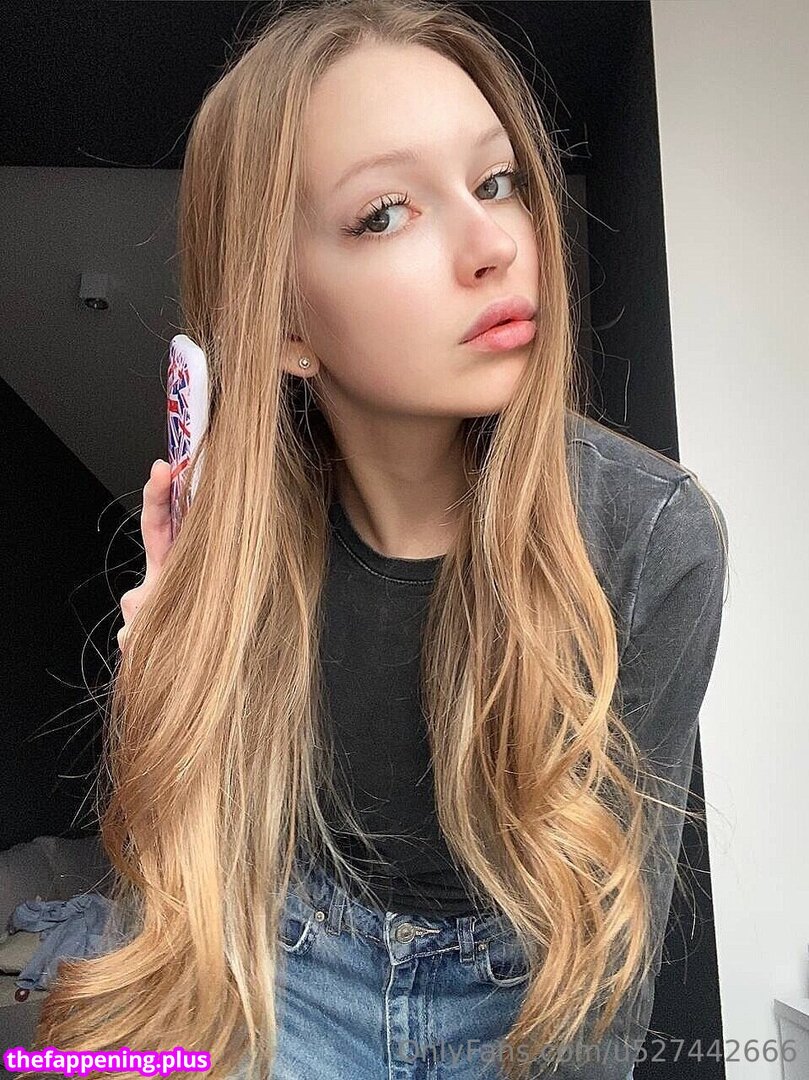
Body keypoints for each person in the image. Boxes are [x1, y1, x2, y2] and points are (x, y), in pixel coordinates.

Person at [26, 1, 728, 1078]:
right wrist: (165, 674)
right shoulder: (238, 530)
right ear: (285, 325)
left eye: (496, 181)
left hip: (520, 999)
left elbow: (603, 959)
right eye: (387, 213)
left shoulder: (651, 537)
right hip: (287, 967)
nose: (496, 244)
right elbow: (186, 880)